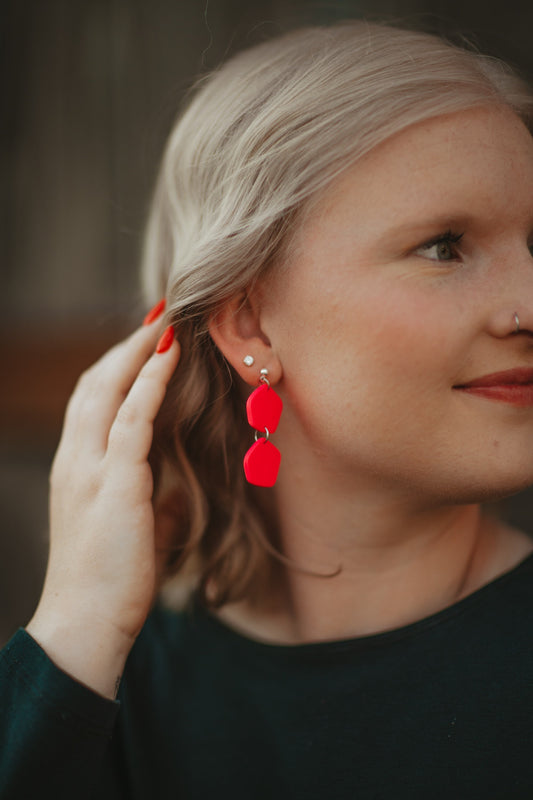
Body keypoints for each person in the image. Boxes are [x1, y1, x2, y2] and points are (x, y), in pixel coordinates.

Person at [2, 18, 533, 799]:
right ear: (249, 322)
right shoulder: (105, 674)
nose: (527, 303)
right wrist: (71, 635)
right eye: (444, 245)